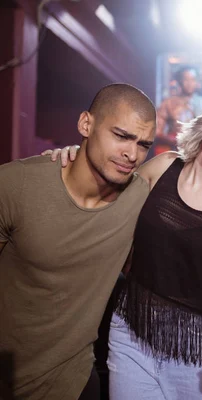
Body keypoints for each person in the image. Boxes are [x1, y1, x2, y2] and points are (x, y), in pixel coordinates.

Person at [51, 90, 202, 400]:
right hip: (130, 334)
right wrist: (74, 157)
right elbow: (106, 194)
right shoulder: (163, 167)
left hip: (198, 357)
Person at [0, 83, 156, 400]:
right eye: (122, 136)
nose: (132, 153)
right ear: (86, 124)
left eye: (143, 144)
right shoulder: (16, 184)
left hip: (74, 382)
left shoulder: (140, 196)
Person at [156, 65, 202, 154]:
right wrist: (173, 140)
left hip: (201, 152)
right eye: (186, 79)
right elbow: (157, 131)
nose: (189, 83)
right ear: (179, 81)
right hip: (175, 151)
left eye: (193, 79)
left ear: (197, 82)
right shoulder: (168, 103)